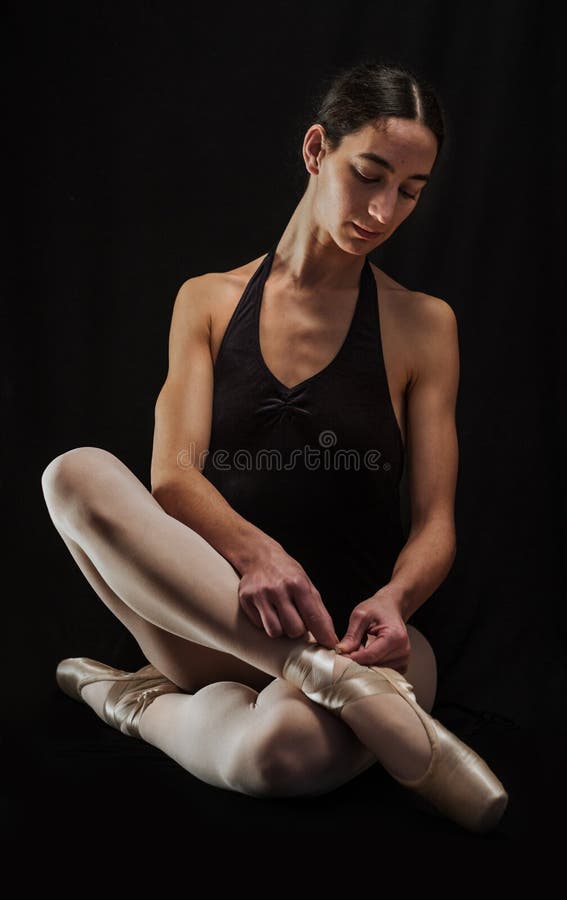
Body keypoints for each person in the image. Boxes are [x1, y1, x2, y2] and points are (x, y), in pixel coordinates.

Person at [42, 60, 508, 832]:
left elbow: (433, 522)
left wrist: (395, 602)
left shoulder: (424, 325)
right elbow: (172, 478)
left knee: (278, 756)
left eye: (410, 191)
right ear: (316, 149)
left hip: (358, 640)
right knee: (73, 474)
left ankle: (131, 700)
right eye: (370, 174)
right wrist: (255, 554)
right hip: (213, 622)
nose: (384, 209)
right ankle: (303, 673)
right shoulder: (207, 300)